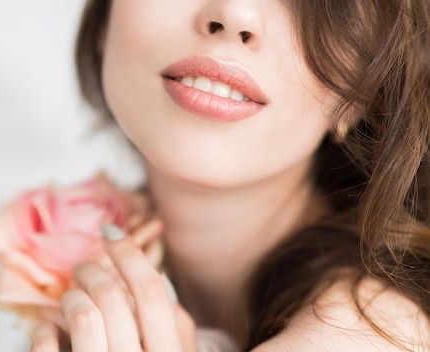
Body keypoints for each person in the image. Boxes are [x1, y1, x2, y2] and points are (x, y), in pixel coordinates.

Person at [29, 0, 430, 350]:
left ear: (359, 92)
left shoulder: (355, 339)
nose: (234, 13)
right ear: (104, 17)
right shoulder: (100, 292)